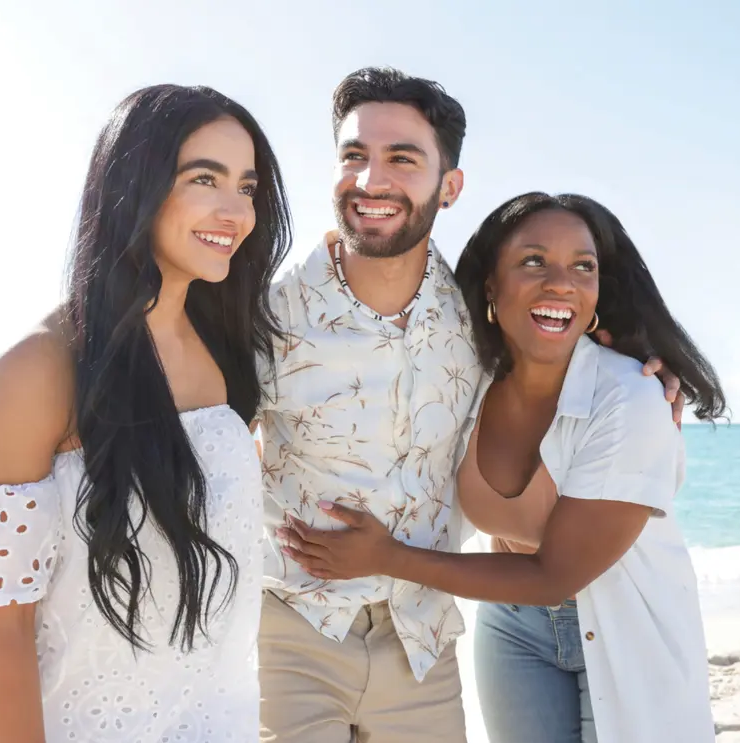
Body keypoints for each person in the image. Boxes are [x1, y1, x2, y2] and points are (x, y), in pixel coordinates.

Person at [255, 68, 683, 743]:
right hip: (295, 628)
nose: (371, 180)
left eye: (401, 158)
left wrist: (636, 368)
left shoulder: (469, 325)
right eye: (353, 156)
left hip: (421, 639)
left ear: (447, 186)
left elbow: (555, 345)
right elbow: (198, 442)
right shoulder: (264, 313)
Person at [0, 84, 291, 743]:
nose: (233, 210)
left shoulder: (227, 352)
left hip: (206, 717)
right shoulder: (40, 370)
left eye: (246, 185)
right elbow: (0, 631)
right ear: (136, 185)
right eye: (203, 178)